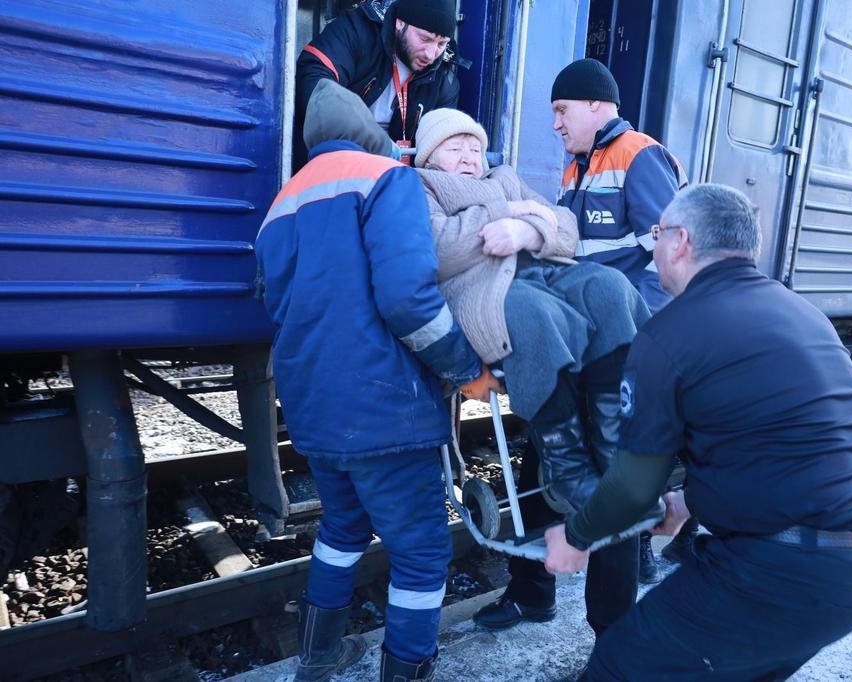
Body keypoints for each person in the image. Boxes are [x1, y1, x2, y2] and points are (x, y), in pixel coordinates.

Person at [544, 183, 852, 680]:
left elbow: (633, 488)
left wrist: (576, 536)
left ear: (680, 241)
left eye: (657, 233)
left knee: (618, 666)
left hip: (787, 571)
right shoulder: (799, 311)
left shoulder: (669, 334)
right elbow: (780, 442)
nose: (654, 247)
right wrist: (688, 502)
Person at [255, 118, 501, 681]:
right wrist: (466, 369)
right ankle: (408, 668)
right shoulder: (385, 178)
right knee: (421, 550)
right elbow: (409, 299)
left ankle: (318, 656)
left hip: (312, 405)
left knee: (342, 526)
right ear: (371, 135)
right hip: (384, 408)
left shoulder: (282, 202)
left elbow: (275, 305)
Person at [411, 108, 651, 639]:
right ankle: (538, 590)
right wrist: (509, 212)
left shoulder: (504, 176)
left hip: (554, 295)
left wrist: (523, 226)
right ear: (430, 155)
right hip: (498, 301)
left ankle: (614, 631)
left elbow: (566, 228)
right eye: (455, 147)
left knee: (611, 288)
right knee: (556, 441)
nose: (469, 156)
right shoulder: (420, 186)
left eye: (475, 147)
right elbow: (436, 248)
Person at [551, 57, 686, 583]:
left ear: (594, 104)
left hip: (629, 333)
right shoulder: (576, 166)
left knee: (628, 446)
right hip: (592, 332)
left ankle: (643, 548)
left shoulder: (638, 155)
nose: (556, 124)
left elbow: (669, 253)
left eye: (562, 110)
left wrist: (640, 332)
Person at [296, 0, 462, 159]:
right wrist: (375, 141)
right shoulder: (357, 30)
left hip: (396, 172)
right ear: (400, 23)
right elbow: (315, 84)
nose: (431, 55)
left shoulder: (444, 77)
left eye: (441, 44)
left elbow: (443, 142)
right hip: (338, 157)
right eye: (425, 39)